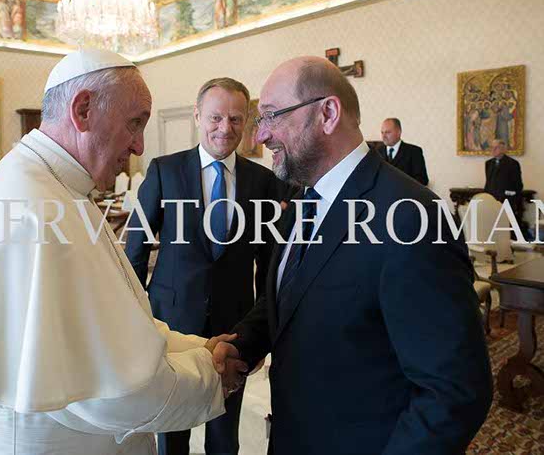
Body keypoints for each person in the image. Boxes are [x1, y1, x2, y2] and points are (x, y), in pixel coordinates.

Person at [0, 48, 244, 455]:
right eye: (135, 123)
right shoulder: (36, 208)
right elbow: (109, 391)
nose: (140, 146)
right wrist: (211, 373)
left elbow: (114, 328)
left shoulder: (52, 186)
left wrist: (196, 347)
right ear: (84, 109)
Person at [211, 57, 492, 454]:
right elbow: (294, 293)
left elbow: (453, 392)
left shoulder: (411, 216)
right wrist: (244, 344)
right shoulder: (302, 200)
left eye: (272, 116)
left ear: (327, 114)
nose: (260, 135)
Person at [125, 77, 289, 455]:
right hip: (171, 322)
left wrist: (260, 333)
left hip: (234, 326)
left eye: (235, 119)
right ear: (198, 116)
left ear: (246, 122)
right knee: (171, 434)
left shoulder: (263, 181)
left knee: (224, 436)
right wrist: (134, 319)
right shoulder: (164, 171)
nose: (224, 128)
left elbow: (269, 267)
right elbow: (135, 252)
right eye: (215, 117)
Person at [485, 139, 524, 231]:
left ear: (503, 149)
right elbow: (488, 181)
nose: (493, 150)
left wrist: (510, 196)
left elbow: (518, 185)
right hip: (491, 200)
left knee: (506, 227)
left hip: (506, 200)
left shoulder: (512, 163)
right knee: (491, 226)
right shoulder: (488, 163)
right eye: (491, 147)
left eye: (496, 148)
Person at [378, 117, 429, 185]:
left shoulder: (414, 152)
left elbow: (422, 180)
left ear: (399, 132)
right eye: (382, 132)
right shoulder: (377, 152)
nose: (383, 136)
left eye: (387, 132)